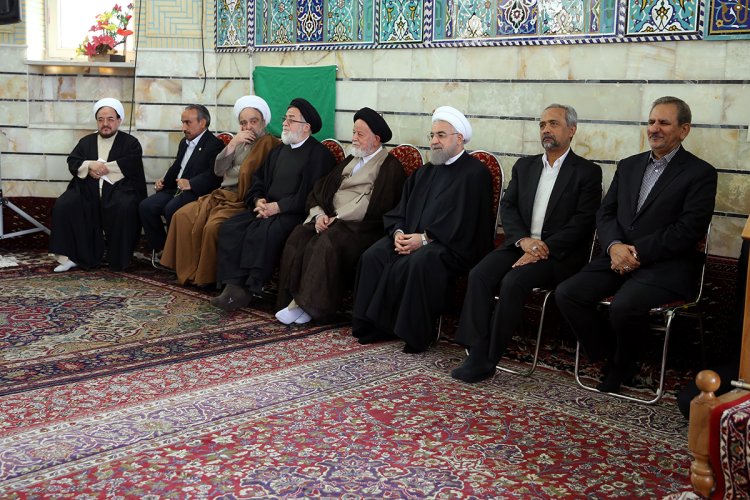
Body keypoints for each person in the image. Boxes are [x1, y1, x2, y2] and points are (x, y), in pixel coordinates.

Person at [555, 96, 718, 394]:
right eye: (652, 121)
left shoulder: (701, 173)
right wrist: (615, 246)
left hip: (666, 264)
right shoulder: (628, 165)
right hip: (617, 256)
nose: (655, 128)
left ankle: (622, 365)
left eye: (664, 123)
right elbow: (605, 213)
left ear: (684, 130)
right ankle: (610, 355)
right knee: (567, 294)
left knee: (624, 306)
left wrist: (636, 252)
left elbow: (688, 230)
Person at [451, 104, 602, 383]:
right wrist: (524, 241)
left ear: (572, 130)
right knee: (480, 274)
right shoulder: (525, 166)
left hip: (558, 255)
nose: (546, 129)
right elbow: (508, 207)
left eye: (554, 124)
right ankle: (476, 349)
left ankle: (489, 359)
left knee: (513, 281)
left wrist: (543, 248)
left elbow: (583, 222)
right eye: (542, 124)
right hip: (520, 244)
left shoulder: (587, 172)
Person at [351, 106, 494, 353]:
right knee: (373, 255)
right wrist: (398, 233)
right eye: (432, 135)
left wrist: (425, 239)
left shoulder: (475, 173)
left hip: (452, 246)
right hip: (413, 238)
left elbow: (467, 222)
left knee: (419, 261)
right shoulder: (425, 172)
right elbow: (400, 209)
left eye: (441, 135)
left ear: (459, 138)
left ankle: (415, 334)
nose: (434, 141)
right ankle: (374, 325)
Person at [275, 107, 407, 324]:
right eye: (354, 132)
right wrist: (319, 215)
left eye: (360, 134)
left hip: (362, 227)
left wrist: (335, 219)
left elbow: (374, 206)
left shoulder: (389, 167)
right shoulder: (351, 160)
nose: (354, 138)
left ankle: (309, 307)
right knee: (300, 234)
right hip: (331, 219)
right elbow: (322, 189)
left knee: (326, 242)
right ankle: (289, 300)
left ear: (376, 139)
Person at [211, 98, 336, 312]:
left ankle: (250, 287)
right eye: (285, 118)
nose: (285, 123)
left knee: (264, 232)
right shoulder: (278, 151)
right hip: (267, 208)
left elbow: (312, 195)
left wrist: (278, 207)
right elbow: (258, 180)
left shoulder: (319, 155)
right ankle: (232, 286)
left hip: (293, 213)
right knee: (232, 227)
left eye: (291, 120)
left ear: (306, 127)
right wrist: (258, 200)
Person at [160, 96, 280, 286]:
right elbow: (218, 170)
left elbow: (247, 174)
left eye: (253, 121)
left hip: (243, 198)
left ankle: (205, 277)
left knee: (212, 227)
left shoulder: (270, 144)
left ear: (263, 122)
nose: (248, 127)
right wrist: (232, 144)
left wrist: (231, 171)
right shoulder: (239, 141)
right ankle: (186, 271)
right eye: (243, 123)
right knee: (182, 216)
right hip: (222, 194)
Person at [49, 98, 146, 272]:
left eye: (110, 119)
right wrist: (89, 165)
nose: (105, 124)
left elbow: (131, 163)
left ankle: (119, 259)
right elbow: (73, 161)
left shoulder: (130, 143)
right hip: (87, 189)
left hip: (119, 189)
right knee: (64, 205)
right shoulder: (86, 142)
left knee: (125, 206)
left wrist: (101, 168)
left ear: (119, 120)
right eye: (101, 120)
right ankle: (72, 257)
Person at [138, 104, 225, 256]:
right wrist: (163, 181)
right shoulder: (183, 142)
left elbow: (214, 175)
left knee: (171, 209)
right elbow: (178, 167)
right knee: (146, 206)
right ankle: (162, 248)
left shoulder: (214, 144)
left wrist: (191, 183)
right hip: (176, 189)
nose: (183, 128)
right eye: (182, 122)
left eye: (188, 123)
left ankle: (178, 254)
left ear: (202, 123)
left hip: (196, 192)